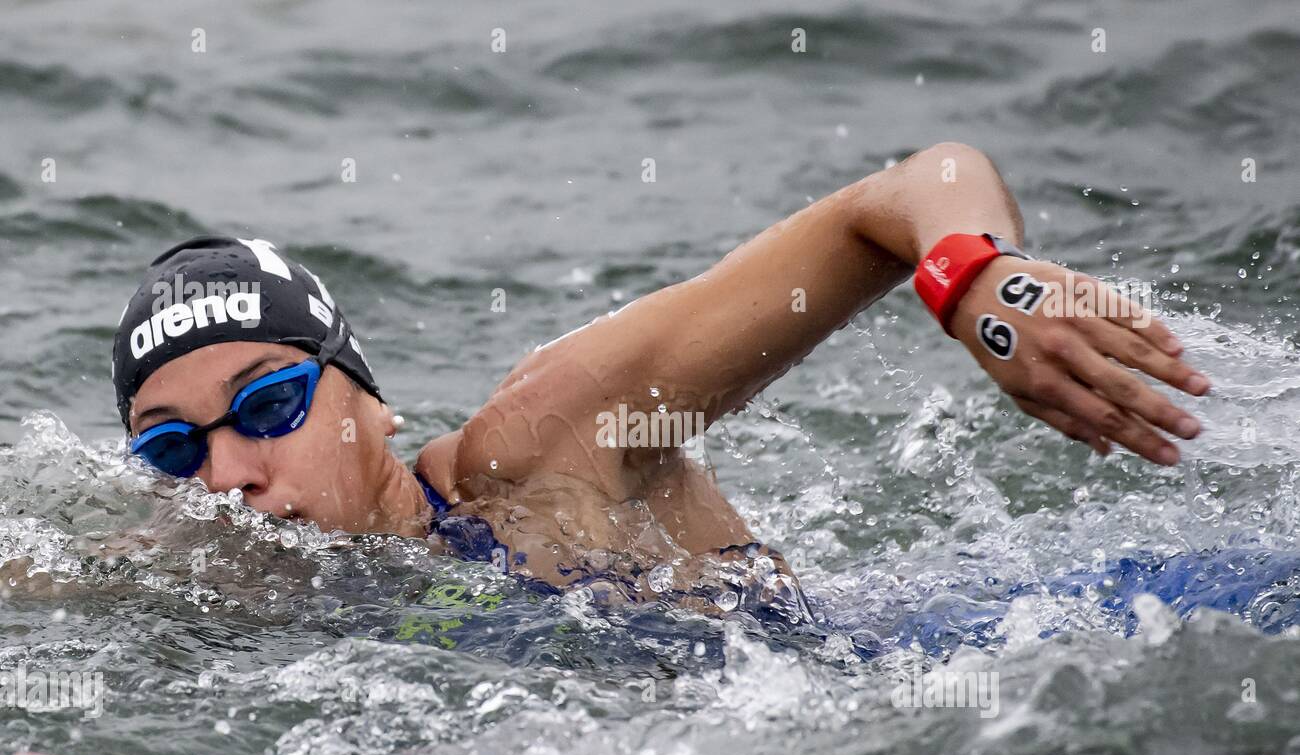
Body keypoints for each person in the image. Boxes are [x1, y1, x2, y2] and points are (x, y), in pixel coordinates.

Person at [113, 142, 1211, 600]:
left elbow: (909, 188)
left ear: (368, 397)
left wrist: (980, 280)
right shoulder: (201, 572)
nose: (226, 477)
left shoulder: (545, 444)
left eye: (265, 404)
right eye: (173, 447)